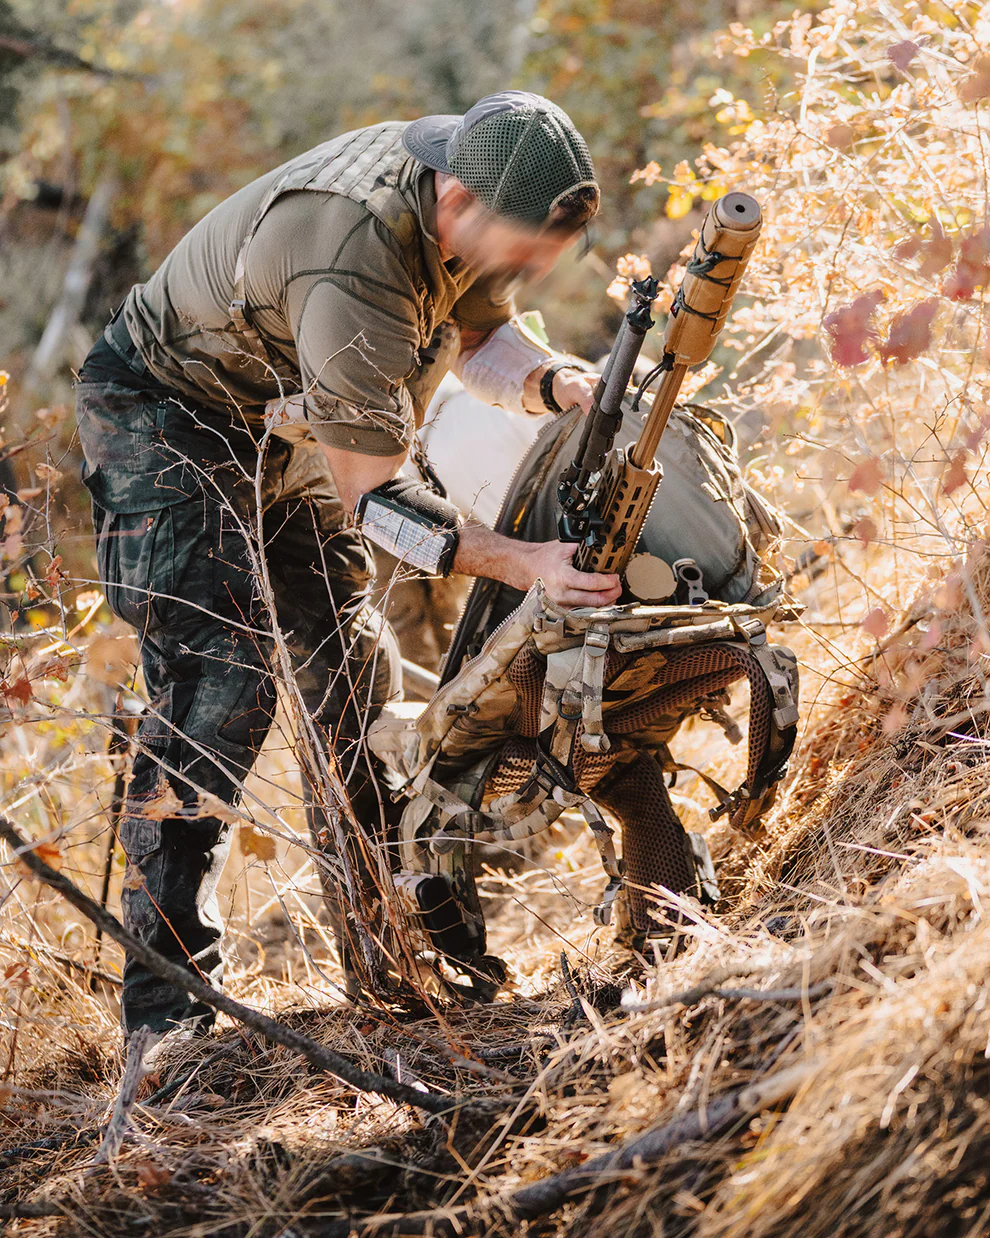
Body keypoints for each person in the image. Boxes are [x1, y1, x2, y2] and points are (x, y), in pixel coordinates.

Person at [74, 90, 621, 1042]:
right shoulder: (353, 256)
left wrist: (553, 380)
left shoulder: (468, 202)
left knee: (349, 671)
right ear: (458, 198)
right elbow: (377, 500)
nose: (530, 269)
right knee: (222, 679)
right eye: (525, 251)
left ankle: (394, 959)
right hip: (161, 417)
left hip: (280, 425)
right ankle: (166, 1018)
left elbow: (479, 335)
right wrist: (523, 562)